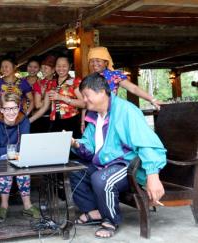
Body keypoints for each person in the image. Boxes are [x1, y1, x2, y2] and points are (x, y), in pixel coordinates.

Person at [70, 73, 166, 238]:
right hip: (105, 163)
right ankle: (96, 211)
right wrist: (76, 144)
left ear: (101, 92)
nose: (84, 100)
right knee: (76, 170)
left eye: (87, 95)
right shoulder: (93, 116)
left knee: (101, 179)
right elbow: (89, 148)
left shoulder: (126, 110)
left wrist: (152, 174)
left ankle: (110, 220)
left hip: (127, 164)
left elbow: (146, 142)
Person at [0, 93, 40, 223]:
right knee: (7, 165)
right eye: (7, 109)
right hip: (1, 159)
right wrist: (8, 152)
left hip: (19, 156)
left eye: (15, 108)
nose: (11, 112)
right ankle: (4, 205)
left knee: (21, 164)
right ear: (1, 109)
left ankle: (27, 205)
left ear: (19, 107)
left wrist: (6, 151)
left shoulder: (24, 120)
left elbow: (25, 146)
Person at [29, 54, 86, 137]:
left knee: (71, 149)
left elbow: (83, 103)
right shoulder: (51, 83)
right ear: (55, 67)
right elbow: (45, 107)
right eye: (58, 66)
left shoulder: (75, 82)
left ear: (70, 66)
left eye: (64, 66)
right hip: (54, 121)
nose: (61, 69)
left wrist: (61, 97)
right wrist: (29, 120)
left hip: (71, 121)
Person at [0, 54, 34, 118]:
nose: (3, 69)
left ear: (14, 67)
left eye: (6, 66)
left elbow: (31, 100)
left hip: (18, 118)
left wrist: (26, 114)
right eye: (2, 67)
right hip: (0, 118)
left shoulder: (23, 82)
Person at [31, 55, 56, 133]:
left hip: (55, 119)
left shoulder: (59, 83)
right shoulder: (38, 83)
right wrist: (50, 102)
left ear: (53, 70)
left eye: (45, 68)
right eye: (41, 68)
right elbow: (37, 104)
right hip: (39, 119)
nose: (42, 70)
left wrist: (45, 100)